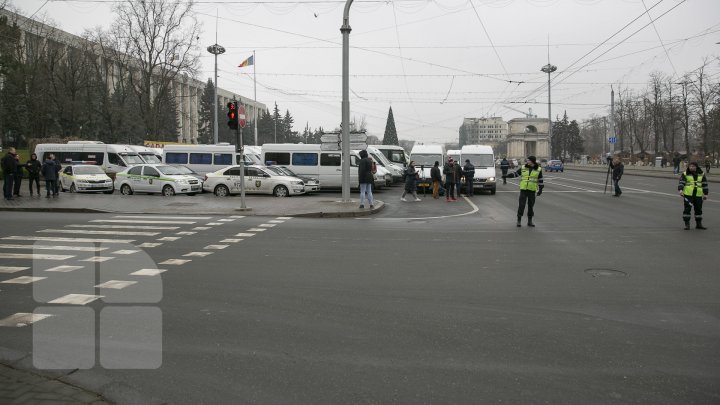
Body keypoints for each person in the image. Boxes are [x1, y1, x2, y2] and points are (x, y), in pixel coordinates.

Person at [505, 155, 544, 227]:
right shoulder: (523, 167)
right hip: (523, 189)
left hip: (532, 190)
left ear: (532, 161)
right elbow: (516, 174)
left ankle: (530, 221)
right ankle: (519, 220)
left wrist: (540, 189)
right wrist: (507, 176)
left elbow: (540, 180)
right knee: (521, 205)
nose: (527, 161)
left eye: (528, 160)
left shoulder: (538, 169)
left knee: (531, 206)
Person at [678, 161, 708, 230]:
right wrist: (680, 190)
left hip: (698, 194)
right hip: (688, 194)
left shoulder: (701, 174)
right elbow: (681, 182)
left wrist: (706, 194)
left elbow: (705, 184)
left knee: (698, 209)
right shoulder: (685, 174)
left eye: (693, 166)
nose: (691, 167)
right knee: (687, 209)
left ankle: (699, 224)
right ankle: (687, 224)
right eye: (690, 166)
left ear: (696, 167)